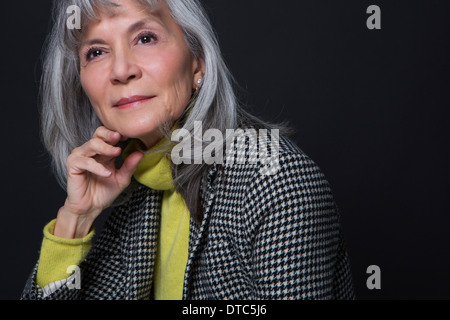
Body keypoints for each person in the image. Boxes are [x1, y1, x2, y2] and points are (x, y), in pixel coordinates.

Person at [21, 0, 355, 300]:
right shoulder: (141, 189)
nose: (122, 70)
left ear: (197, 62)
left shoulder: (276, 179)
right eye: (96, 52)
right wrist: (76, 221)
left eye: (145, 37)